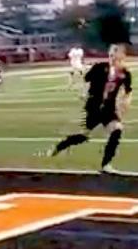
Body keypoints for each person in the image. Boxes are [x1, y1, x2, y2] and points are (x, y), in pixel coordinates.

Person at [50, 43, 133, 173]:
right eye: (111, 54)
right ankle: (62, 145)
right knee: (84, 136)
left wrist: (126, 102)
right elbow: (86, 80)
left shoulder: (125, 73)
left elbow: (128, 91)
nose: (113, 58)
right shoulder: (100, 67)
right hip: (94, 106)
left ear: (122, 56)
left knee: (117, 130)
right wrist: (83, 93)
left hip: (109, 109)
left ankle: (106, 164)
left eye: (116, 55)